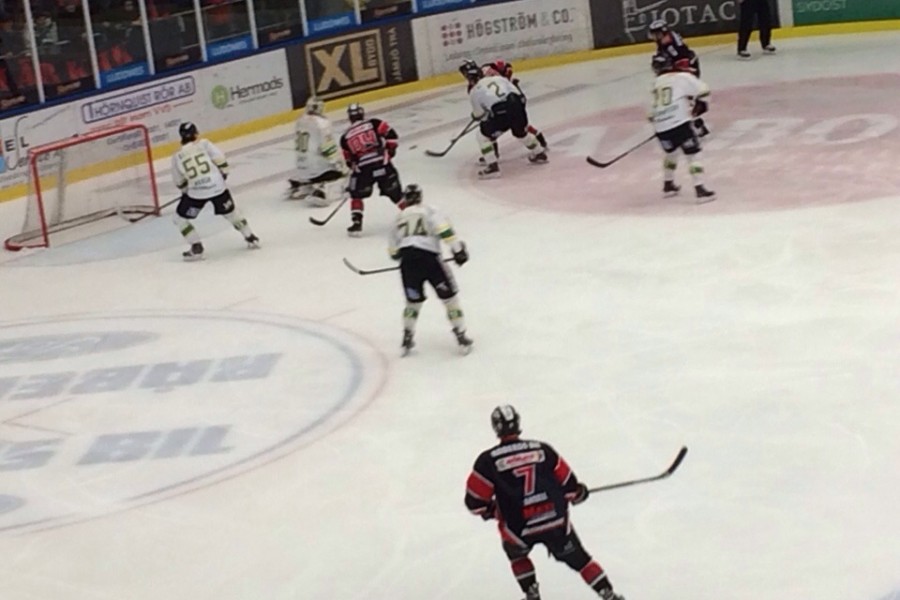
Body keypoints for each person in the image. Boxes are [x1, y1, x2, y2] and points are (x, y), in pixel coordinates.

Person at [465, 405, 626, 600]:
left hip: (519, 527)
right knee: (581, 560)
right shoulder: (543, 449)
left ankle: (531, 593)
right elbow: (570, 487)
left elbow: (474, 503)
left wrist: (493, 510)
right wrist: (579, 493)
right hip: (554, 521)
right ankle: (608, 595)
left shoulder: (487, 461)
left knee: (516, 554)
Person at [388, 184, 472, 356]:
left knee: (413, 302)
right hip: (429, 259)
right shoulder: (430, 211)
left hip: (407, 263)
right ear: (420, 196)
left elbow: (393, 252)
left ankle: (407, 336)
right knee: (449, 299)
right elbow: (445, 231)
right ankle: (460, 335)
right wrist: (458, 251)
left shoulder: (398, 218)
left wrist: (406, 253)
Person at [171, 122, 260, 260]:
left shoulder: (177, 156)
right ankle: (250, 237)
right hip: (217, 187)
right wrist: (224, 172)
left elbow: (179, 180)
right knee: (231, 213)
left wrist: (185, 190)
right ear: (196, 134)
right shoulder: (204, 144)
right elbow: (220, 158)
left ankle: (196, 246)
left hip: (196, 193)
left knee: (179, 219)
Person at [648, 54, 715, 203]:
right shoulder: (682, 77)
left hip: (661, 127)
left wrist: (662, 123)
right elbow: (704, 91)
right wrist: (701, 105)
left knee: (671, 153)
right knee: (693, 154)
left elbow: (650, 114)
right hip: (679, 123)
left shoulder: (656, 84)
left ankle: (668, 184)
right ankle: (700, 189)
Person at [465, 62, 546, 178]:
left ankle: (493, 167)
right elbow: (518, 95)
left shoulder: (474, 92)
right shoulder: (499, 78)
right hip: (517, 107)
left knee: (483, 136)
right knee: (521, 133)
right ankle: (539, 153)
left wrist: (478, 116)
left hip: (501, 113)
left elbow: (480, 115)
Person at [340, 102, 403, 236]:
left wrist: (355, 170)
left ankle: (357, 223)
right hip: (382, 164)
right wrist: (390, 150)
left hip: (364, 170)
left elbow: (349, 161)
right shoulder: (374, 123)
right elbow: (392, 135)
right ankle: (412, 215)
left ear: (350, 118)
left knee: (356, 195)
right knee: (396, 194)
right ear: (362, 114)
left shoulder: (344, 137)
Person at [647, 20, 708, 137]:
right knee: (685, 97)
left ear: (663, 32)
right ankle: (696, 122)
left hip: (687, 67)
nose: (654, 36)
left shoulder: (670, 45)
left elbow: (682, 61)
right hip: (686, 66)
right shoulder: (667, 39)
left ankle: (696, 123)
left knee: (685, 98)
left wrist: (675, 73)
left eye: (656, 33)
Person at [287, 96, 346, 207]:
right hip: (318, 170)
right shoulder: (322, 123)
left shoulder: (300, 120)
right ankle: (322, 190)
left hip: (301, 168)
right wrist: (340, 165)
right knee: (342, 175)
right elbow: (328, 148)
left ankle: (303, 185)